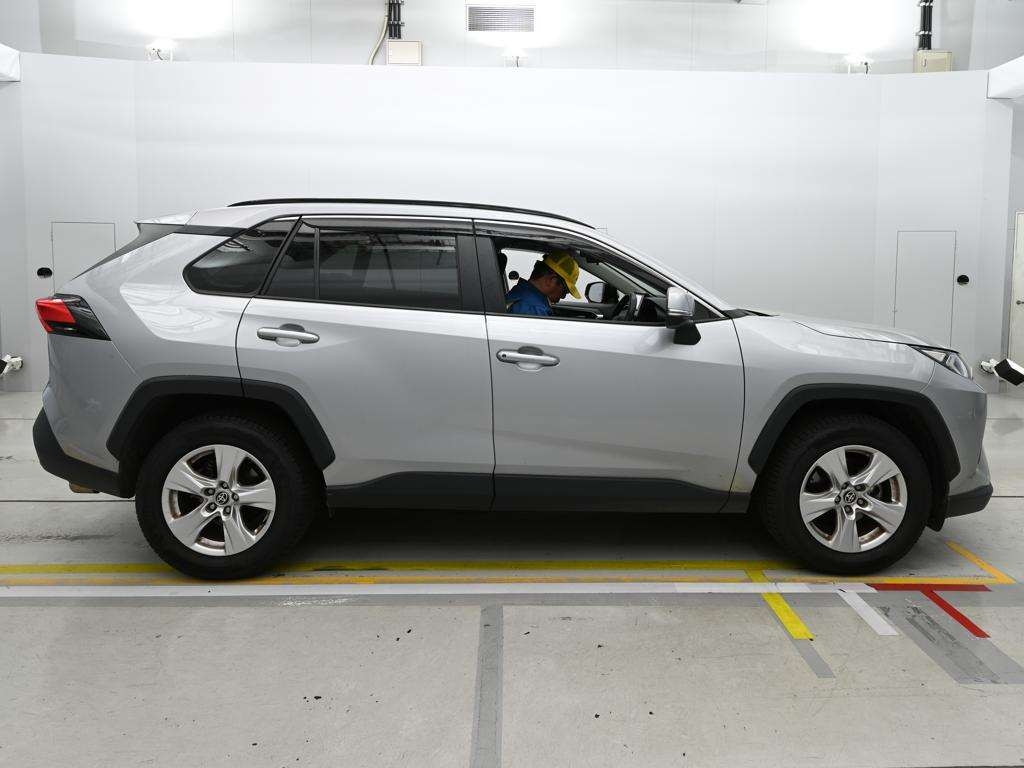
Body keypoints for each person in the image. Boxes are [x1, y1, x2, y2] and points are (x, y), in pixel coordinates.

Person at [506, 250, 581, 316]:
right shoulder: (535, 310)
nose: (563, 296)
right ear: (552, 280)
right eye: (565, 291)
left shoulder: (520, 292)